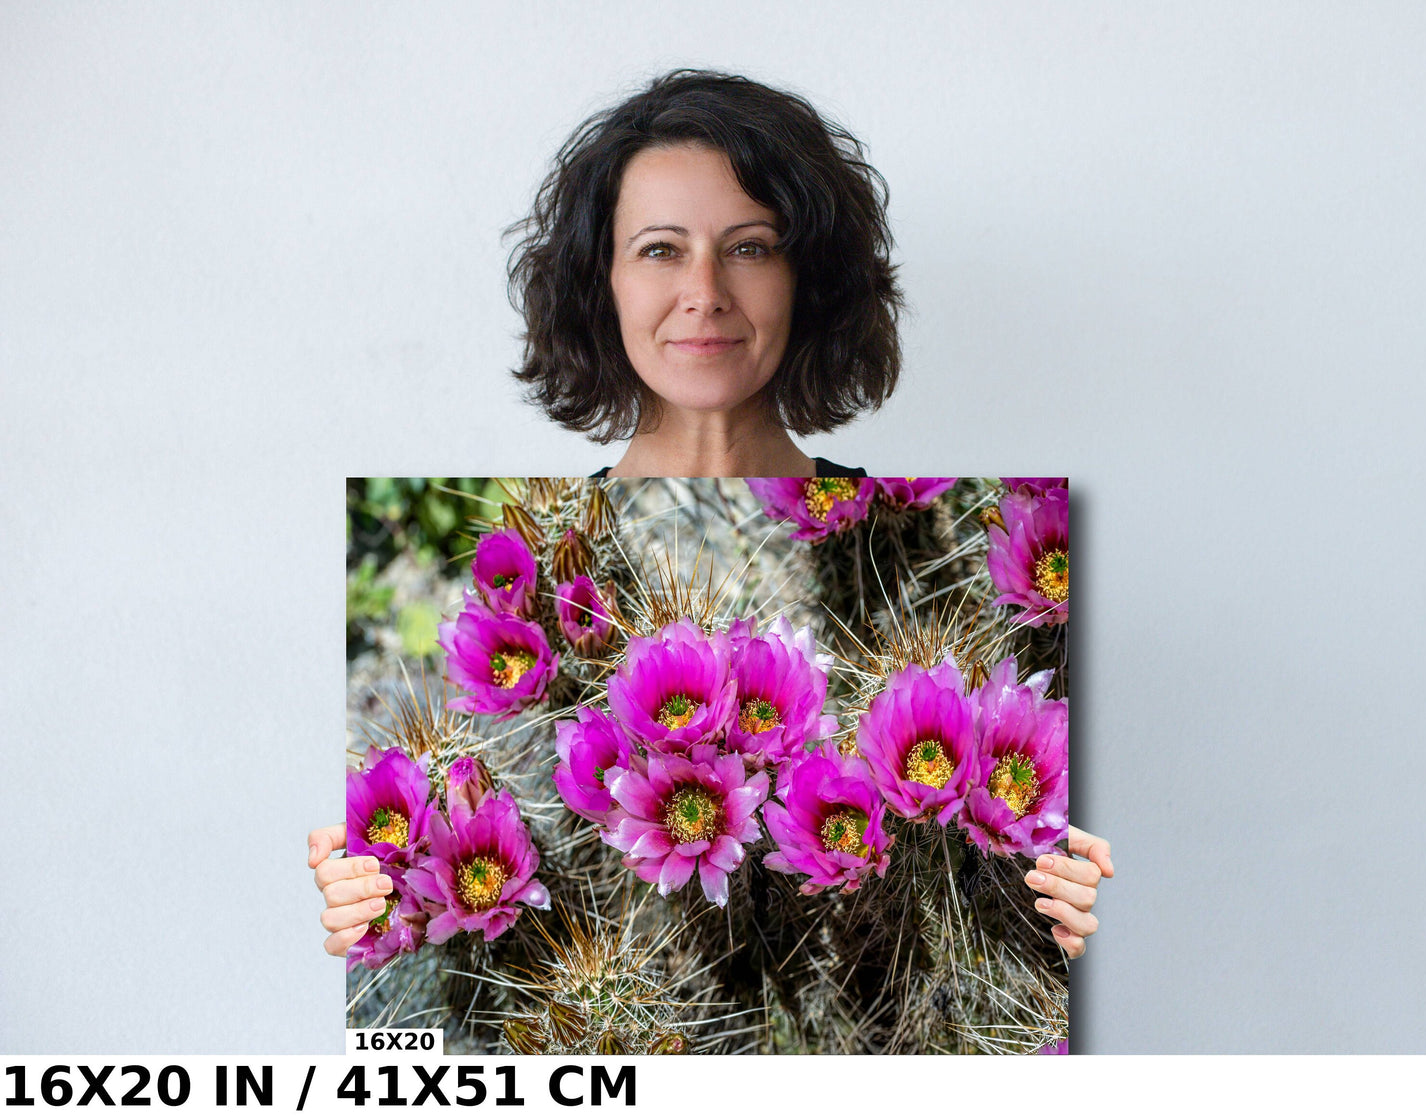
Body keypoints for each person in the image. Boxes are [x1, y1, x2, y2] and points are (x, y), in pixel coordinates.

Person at [313, 69, 1112, 962]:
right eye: (660, 249)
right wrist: (345, 915)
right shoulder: (565, 555)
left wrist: (1089, 924)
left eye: (750, 247)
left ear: (808, 279)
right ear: (601, 283)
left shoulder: (963, 517)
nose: (705, 291)